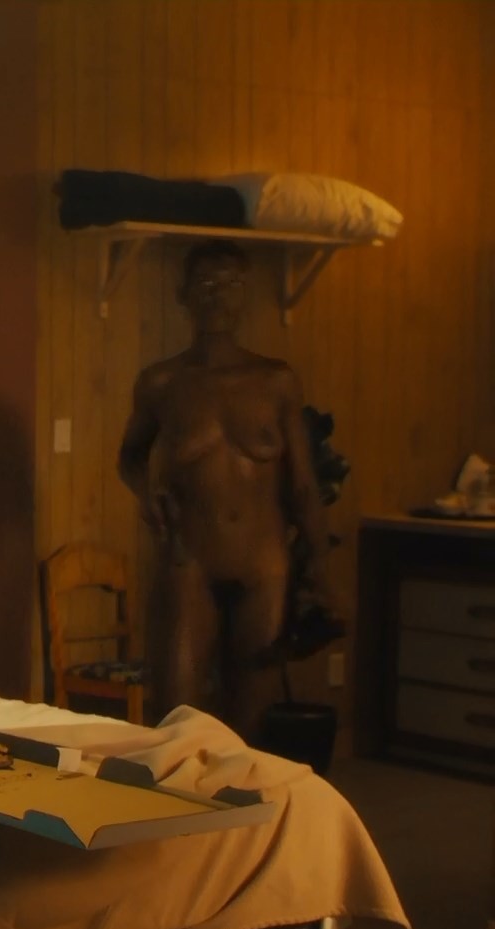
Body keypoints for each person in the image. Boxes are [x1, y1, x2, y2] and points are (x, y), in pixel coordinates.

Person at [117, 239, 332, 737]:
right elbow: (129, 457)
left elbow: (303, 482)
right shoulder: (162, 383)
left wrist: (321, 567)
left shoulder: (276, 381)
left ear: (246, 294)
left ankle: (239, 789)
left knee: (250, 721)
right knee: (175, 714)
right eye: (206, 283)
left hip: (264, 566)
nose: (219, 294)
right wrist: (147, 493)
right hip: (189, 560)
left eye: (232, 283)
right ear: (184, 295)